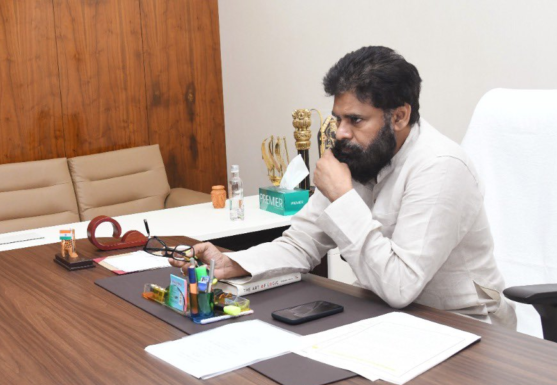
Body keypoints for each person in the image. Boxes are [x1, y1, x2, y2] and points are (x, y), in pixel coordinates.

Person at [175, 46, 514, 328]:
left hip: (461, 324)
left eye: (356, 120)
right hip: (384, 314)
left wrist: (342, 196)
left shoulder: (440, 167)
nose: (340, 132)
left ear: (399, 117)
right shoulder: (359, 155)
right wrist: (233, 263)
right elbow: (300, 244)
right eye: (338, 118)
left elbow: (400, 286)